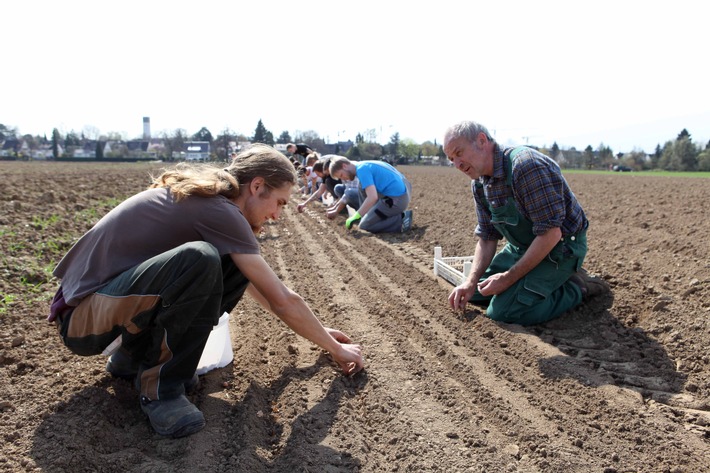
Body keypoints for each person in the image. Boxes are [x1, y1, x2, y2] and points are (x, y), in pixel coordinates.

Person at [48, 144, 364, 438]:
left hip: (101, 309)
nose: (277, 215)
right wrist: (336, 349)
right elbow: (283, 299)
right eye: (279, 202)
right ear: (256, 186)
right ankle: (162, 390)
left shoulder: (216, 206)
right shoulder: (219, 211)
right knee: (199, 259)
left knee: (230, 266)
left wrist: (320, 332)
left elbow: (265, 290)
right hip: (81, 321)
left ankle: (132, 358)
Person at [443, 120, 608, 326]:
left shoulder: (525, 167)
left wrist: (506, 279)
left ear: (482, 140)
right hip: (522, 247)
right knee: (476, 292)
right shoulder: (480, 183)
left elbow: (551, 233)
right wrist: (469, 282)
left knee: (504, 311)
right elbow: (487, 237)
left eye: (459, 153)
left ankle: (576, 286)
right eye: (451, 159)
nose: (457, 165)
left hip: (561, 249)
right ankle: (536, 281)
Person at [329, 157, 413, 233]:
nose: (343, 179)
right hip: (404, 192)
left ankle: (401, 220)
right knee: (362, 186)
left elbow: (372, 197)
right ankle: (368, 216)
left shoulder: (362, 170)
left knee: (365, 226)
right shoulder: (365, 164)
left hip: (396, 200)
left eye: (341, 175)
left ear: (344, 166)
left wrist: (356, 216)